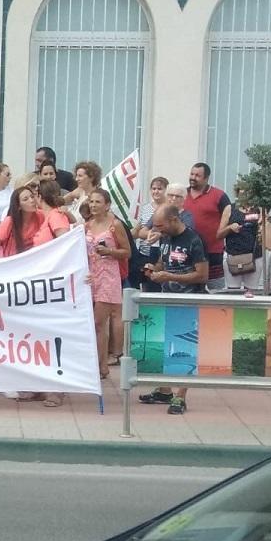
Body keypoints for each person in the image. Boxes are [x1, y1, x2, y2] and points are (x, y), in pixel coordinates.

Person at [139, 205, 208, 416]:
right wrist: (154, 269)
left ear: (174, 220)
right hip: (167, 297)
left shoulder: (193, 240)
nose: (157, 229)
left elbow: (202, 275)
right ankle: (165, 389)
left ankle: (181, 396)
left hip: (188, 300)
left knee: (185, 348)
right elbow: (164, 262)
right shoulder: (166, 238)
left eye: (160, 225)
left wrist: (170, 277)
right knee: (165, 345)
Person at [85, 189, 131, 380]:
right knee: (99, 325)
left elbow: (127, 252)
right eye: (91, 201)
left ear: (107, 205)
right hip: (91, 276)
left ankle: (100, 363)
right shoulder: (87, 225)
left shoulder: (115, 225)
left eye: (97, 202)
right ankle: (101, 366)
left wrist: (109, 251)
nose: (93, 205)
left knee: (97, 322)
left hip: (109, 277)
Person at [184, 162, 231, 290]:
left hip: (212, 251)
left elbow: (228, 217)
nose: (193, 177)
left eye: (197, 175)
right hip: (187, 252)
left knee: (215, 290)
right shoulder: (182, 194)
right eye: (192, 174)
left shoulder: (219, 196)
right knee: (189, 288)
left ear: (206, 178)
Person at [217, 183, 263, 291]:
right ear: (238, 192)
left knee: (251, 291)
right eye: (243, 190)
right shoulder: (230, 208)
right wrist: (229, 228)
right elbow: (219, 235)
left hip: (254, 256)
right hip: (233, 255)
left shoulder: (259, 209)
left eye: (249, 190)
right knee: (233, 291)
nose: (246, 193)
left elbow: (265, 231)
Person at [132, 177, 169, 291]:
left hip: (160, 254)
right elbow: (138, 230)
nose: (156, 191)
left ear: (166, 190)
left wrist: (151, 233)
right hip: (143, 253)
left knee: (156, 286)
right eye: (153, 189)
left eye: (159, 189)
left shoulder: (168, 208)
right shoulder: (146, 208)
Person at [0, 186, 44, 259]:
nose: (32, 200)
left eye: (32, 197)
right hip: (12, 262)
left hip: (35, 259)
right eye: (25, 199)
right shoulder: (9, 221)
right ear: (19, 206)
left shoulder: (41, 215)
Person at [34, 180, 73, 245]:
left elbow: (66, 244)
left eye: (34, 195)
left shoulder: (56, 216)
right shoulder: (43, 215)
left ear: (40, 197)